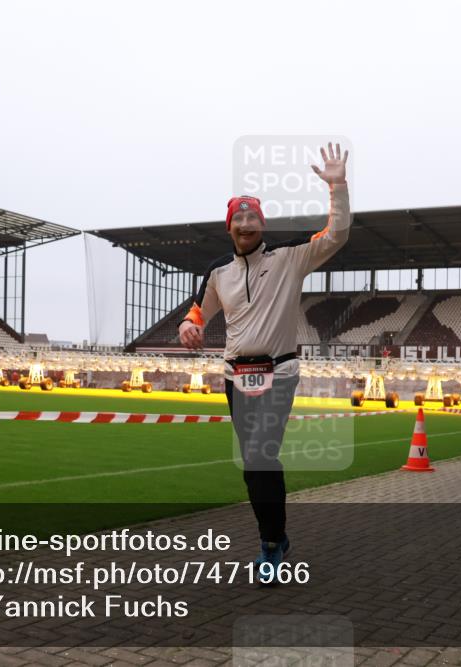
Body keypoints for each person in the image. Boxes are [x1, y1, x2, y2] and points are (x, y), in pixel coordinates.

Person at [177, 143, 350, 584]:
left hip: (279, 372)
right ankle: (276, 536)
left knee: (259, 456)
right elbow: (199, 311)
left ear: (262, 225)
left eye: (253, 217)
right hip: (236, 376)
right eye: (239, 218)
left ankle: (271, 547)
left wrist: (337, 187)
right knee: (253, 462)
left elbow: (336, 235)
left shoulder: (289, 257)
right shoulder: (218, 271)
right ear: (229, 227)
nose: (246, 224)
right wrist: (188, 326)